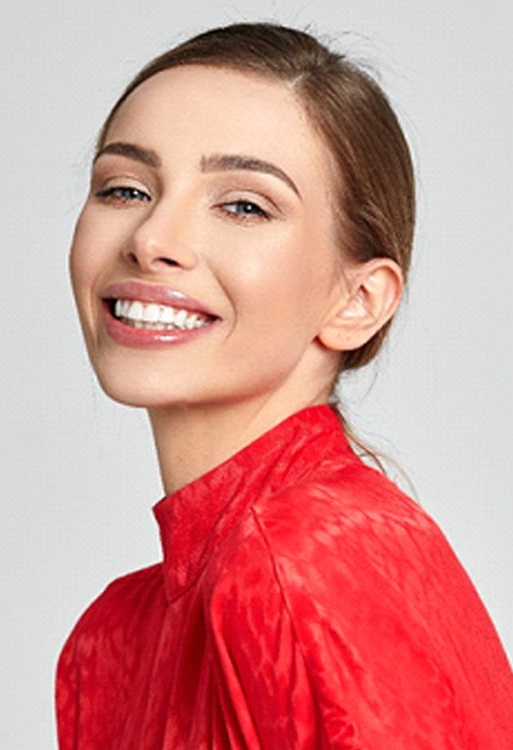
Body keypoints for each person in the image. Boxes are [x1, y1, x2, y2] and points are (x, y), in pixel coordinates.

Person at [55, 22, 512, 749]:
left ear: (356, 300)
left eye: (243, 205)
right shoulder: (110, 638)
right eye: (126, 187)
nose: (150, 238)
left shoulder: (301, 563)